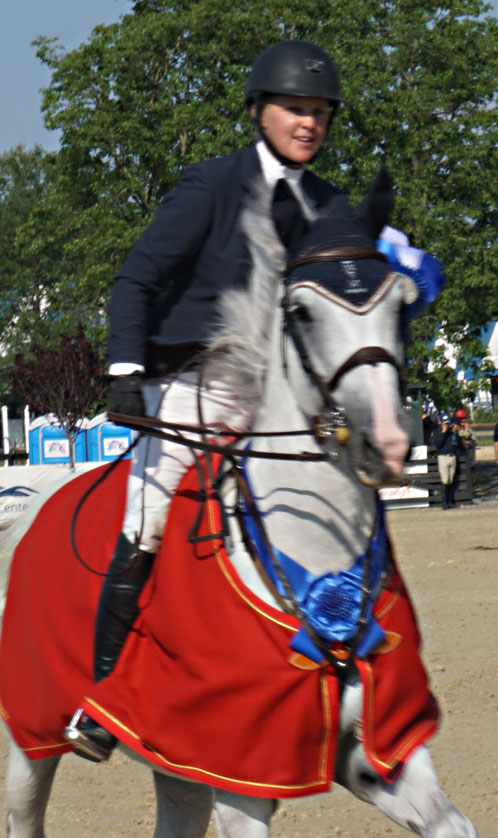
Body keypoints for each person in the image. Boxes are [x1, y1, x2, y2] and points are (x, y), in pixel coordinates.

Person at [64, 39, 351, 762]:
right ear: (260, 111)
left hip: (282, 393)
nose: (308, 122)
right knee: (152, 516)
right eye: (295, 108)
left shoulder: (329, 204)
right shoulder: (211, 185)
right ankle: (104, 702)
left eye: (319, 112)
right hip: (195, 382)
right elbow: (134, 279)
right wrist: (125, 369)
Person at [432, 412, 463, 509]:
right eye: (445, 423)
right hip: (443, 457)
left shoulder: (451, 432)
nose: (447, 425)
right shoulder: (437, 432)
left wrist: (455, 434)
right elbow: (437, 444)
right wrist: (443, 433)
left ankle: (450, 501)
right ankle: (444, 502)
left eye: (448, 423)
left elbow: (456, 442)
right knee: (445, 480)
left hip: (452, 456)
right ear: (440, 422)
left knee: (450, 479)